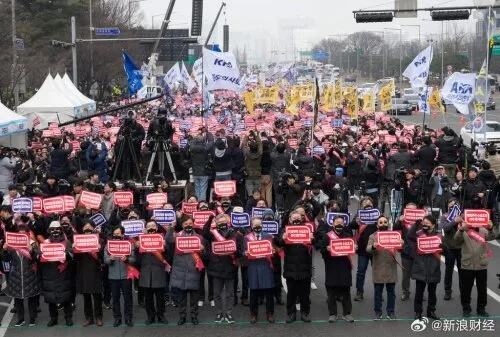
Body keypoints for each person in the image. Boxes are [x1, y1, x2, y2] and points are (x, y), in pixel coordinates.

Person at [1, 216, 40, 327]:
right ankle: (20, 319)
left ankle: (32, 318)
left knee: (32, 299)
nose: (22, 235)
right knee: (18, 300)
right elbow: (5, 259)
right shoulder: (12, 245)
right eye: (20, 233)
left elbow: (37, 258)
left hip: (30, 275)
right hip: (16, 276)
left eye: (24, 234)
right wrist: (4, 249)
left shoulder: (32, 244)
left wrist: (31, 250)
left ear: (27, 234)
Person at [316, 216, 354, 323]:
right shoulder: (327, 237)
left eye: (341, 223)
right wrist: (326, 249)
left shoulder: (347, 236)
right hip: (331, 267)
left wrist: (354, 247)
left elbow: (352, 248)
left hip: (344, 266)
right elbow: (321, 249)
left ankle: (347, 313)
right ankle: (332, 314)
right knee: (331, 292)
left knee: (346, 291)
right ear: (332, 224)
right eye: (337, 223)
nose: (339, 225)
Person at [276, 211, 313, 323]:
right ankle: (291, 314)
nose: (296, 220)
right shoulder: (285, 230)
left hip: (304, 267)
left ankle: (305, 313)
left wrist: (312, 238)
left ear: (301, 219)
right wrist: (283, 238)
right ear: (290, 220)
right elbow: (278, 243)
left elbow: (315, 243)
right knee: (291, 294)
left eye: (298, 218)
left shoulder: (307, 230)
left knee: (305, 294)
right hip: (291, 268)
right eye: (294, 218)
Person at [455, 219, 497, 317]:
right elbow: (456, 240)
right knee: (466, 289)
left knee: (482, 289)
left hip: (481, 264)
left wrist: (490, 228)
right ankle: (466, 308)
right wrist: (461, 230)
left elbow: (492, 237)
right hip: (467, 264)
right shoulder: (463, 229)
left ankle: (481, 308)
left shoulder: (483, 230)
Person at [167, 215, 204, 325]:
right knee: (181, 298)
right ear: (182, 225)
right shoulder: (177, 236)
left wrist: (203, 249)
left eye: (190, 223)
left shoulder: (199, 237)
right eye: (186, 224)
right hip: (180, 271)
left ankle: (194, 316)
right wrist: (171, 227)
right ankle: (182, 316)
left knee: (194, 298)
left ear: (193, 224)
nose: (188, 225)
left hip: (194, 271)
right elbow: (168, 239)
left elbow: (205, 255)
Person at [202, 213, 238, 323]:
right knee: (216, 294)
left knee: (230, 294)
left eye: (224, 221)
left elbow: (239, 248)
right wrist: (210, 219)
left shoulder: (234, 233)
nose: (222, 224)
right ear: (216, 223)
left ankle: (228, 313)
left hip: (230, 267)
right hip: (216, 267)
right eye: (219, 222)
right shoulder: (213, 234)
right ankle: (219, 313)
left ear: (228, 222)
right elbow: (204, 232)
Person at [38, 221, 75, 327]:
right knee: (51, 299)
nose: (55, 231)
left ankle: (68, 318)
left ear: (61, 230)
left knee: (66, 298)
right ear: (49, 231)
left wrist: (66, 255)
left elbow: (72, 258)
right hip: (50, 275)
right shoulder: (45, 243)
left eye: (57, 229)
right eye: (53, 229)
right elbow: (40, 260)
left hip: (64, 274)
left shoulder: (67, 242)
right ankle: (53, 319)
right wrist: (40, 254)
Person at [407, 215, 441, 320]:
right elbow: (409, 236)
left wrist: (443, 247)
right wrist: (416, 224)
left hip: (433, 267)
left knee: (432, 293)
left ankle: (431, 311)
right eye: (424, 223)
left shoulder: (438, 236)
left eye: (427, 223)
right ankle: (418, 312)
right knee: (419, 293)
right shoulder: (418, 234)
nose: (425, 224)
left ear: (433, 225)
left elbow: (445, 250)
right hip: (420, 267)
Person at [366, 216, 399, 320]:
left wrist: (401, 243)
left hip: (391, 267)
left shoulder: (394, 235)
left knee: (391, 293)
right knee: (378, 293)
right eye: (381, 222)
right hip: (378, 268)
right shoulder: (373, 236)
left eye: (385, 222)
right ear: (377, 225)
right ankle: (378, 312)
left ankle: (391, 312)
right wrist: (373, 246)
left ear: (388, 224)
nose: (383, 224)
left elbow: (401, 246)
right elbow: (367, 249)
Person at [244, 217, 275, 324]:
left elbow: (272, 250)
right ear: (251, 226)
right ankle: (253, 314)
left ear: (262, 225)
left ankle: (270, 314)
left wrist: (273, 251)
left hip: (266, 266)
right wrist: (245, 253)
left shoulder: (268, 236)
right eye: (255, 225)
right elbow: (243, 251)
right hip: (253, 267)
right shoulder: (247, 238)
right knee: (253, 293)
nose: (257, 227)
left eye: (259, 225)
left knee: (269, 292)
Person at [137, 221, 168, 325]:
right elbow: (137, 260)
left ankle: (161, 315)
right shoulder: (140, 240)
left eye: (153, 226)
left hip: (158, 271)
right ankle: (150, 316)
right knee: (148, 298)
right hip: (146, 272)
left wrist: (165, 246)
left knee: (160, 297)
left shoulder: (162, 239)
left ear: (157, 228)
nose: (151, 228)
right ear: (145, 228)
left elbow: (169, 256)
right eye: (149, 226)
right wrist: (137, 248)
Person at [104, 226, 136, 327]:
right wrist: (111, 259)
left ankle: (128, 318)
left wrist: (127, 259)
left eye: (118, 234)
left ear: (122, 234)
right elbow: (105, 260)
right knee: (115, 299)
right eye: (114, 234)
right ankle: (117, 318)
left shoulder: (129, 245)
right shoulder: (108, 246)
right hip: (113, 277)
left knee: (128, 299)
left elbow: (134, 259)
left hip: (126, 276)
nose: (116, 235)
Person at [74, 220, 103, 327]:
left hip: (95, 271)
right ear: (82, 230)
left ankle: (98, 317)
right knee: (86, 297)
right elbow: (76, 258)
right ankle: (88, 318)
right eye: (85, 227)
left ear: (93, 229)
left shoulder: (99, 240)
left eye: (89, 227)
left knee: (97, 297)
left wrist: (99, 248)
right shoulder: (78, 240)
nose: (87, 229)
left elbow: (102, 258)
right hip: (83, 272)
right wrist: (74, 247)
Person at [351, 197, 378, 301]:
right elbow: (351, 226)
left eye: (369, 202)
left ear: (372, 204)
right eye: (364, 202)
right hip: (362, 249)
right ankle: (359, 292)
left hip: (375, 248)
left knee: (377, 271)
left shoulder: (377, 214)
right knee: (361, 271)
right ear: (361, 206)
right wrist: (356, 221)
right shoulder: (359, 215)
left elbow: (385, 226)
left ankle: (378, 292)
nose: (367, 203)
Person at [439, 198, 462, 301]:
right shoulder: (444, 216)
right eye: (451, 205)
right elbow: (445, 227)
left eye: (455, 205)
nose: (453, 207)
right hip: (449, 248)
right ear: (448, 206)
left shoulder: (462, 215)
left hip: (461, 248)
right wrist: (454, 221)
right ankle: (447, 292)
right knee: (449, 271)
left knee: (463, 272)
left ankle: (463, 291)